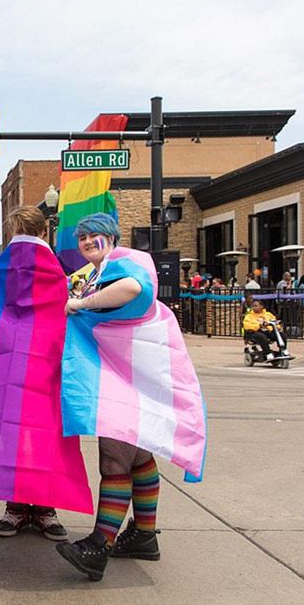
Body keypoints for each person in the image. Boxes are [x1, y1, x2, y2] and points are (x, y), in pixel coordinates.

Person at [57, 213, 190, 581]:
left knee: (115, 457)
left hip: (127, 374)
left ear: (111, 237)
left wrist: (80, 306)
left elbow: (132, 289)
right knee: (140, 454)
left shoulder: (124, 261)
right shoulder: (99, 271)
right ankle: (144, 536)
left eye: (95, 236)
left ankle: (99, 545)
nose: (87, 242)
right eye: (82, 237)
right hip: (132, 372)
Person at [0, 206, 70, 542]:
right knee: (38, 436)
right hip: (36, 363)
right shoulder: (14, 265)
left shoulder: (41, 266)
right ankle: (28, 508)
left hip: (31, 363)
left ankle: (33, 507)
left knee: (29, 436)